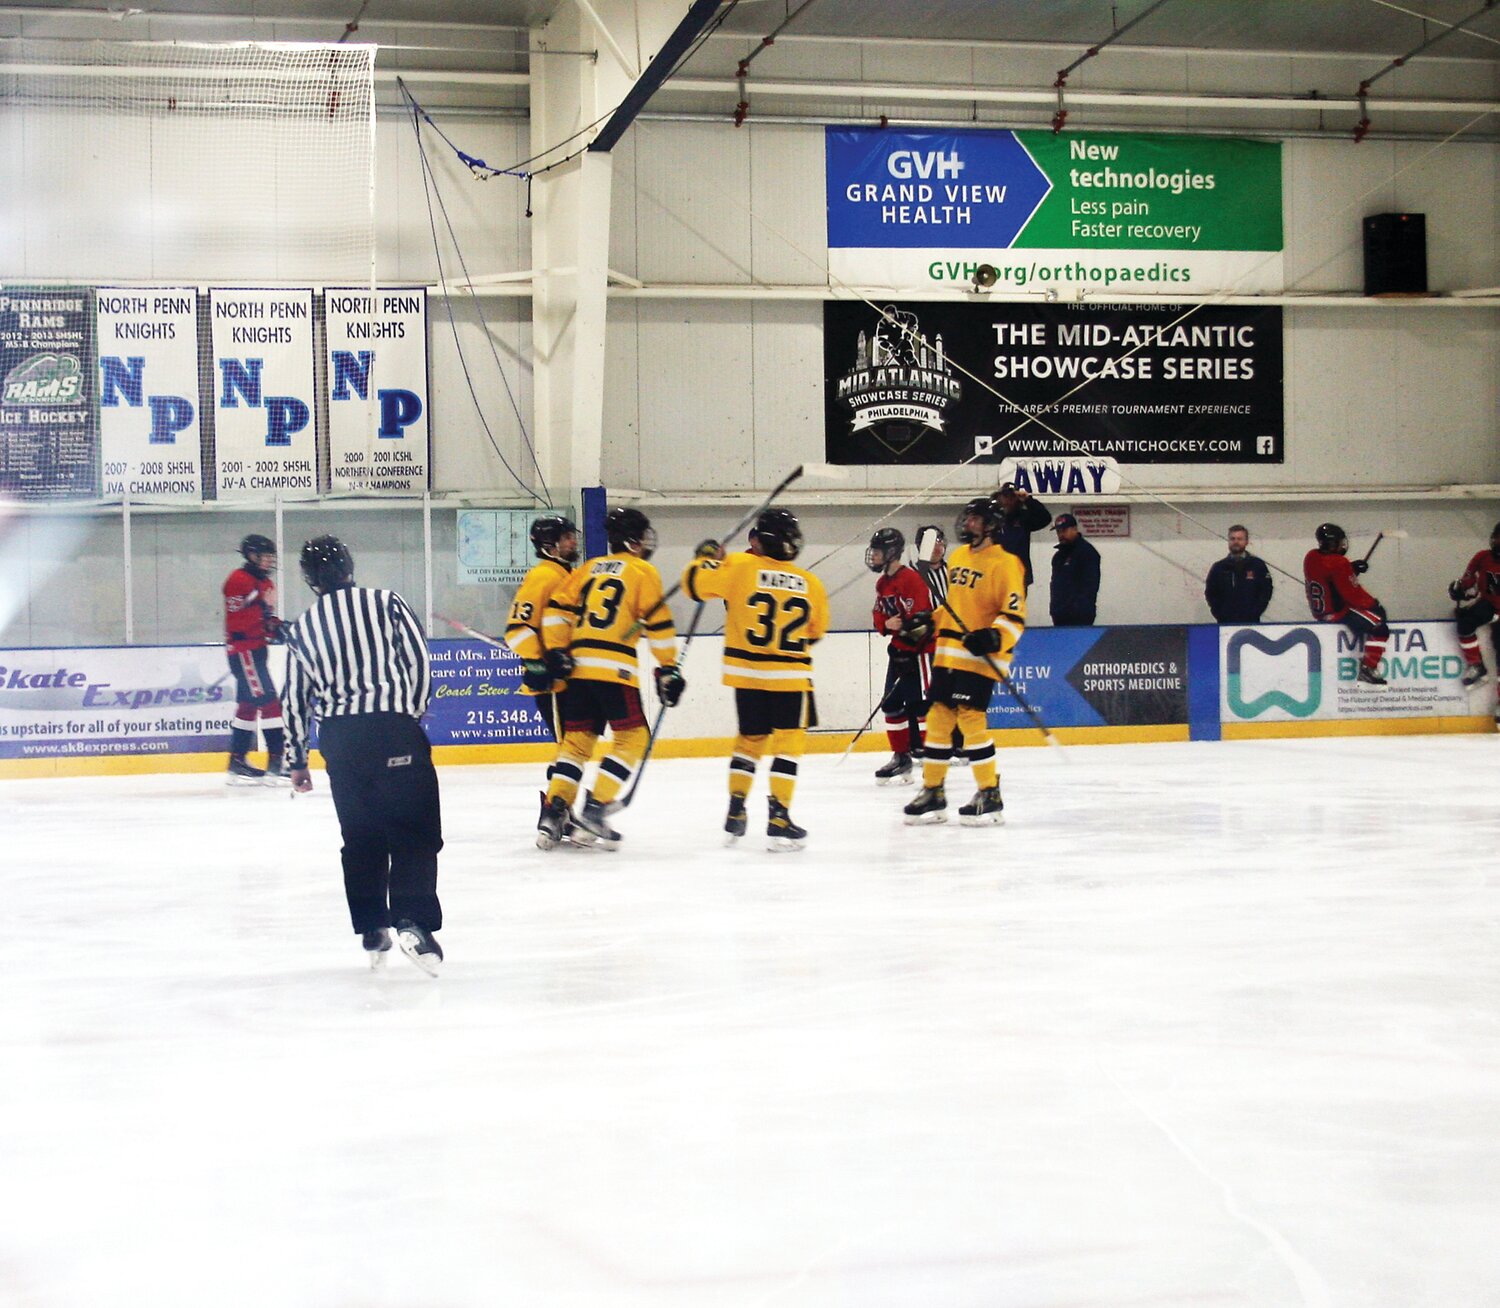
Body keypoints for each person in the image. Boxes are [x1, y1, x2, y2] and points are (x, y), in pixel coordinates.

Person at [281, 537, 445, 976]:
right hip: (393, 730)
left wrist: (297, 760)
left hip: (341, 741)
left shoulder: (303, 627)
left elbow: (295, 698)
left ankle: (372, 924)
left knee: (361, 837)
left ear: (309, 580)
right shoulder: (385, 602)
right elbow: (418, 661)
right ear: (350, 566)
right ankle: (411, 919)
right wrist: (407, 713)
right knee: (413, 831)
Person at [683, 508, 829, 850]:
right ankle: (779, 817)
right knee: (787, 746)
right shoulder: (810, 583)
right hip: (789, 678)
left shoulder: (739, 566)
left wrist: (706, 559)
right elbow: (816, 631)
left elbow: (694, 585)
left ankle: (736, 808)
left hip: (746, 676)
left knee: (749, 741)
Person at [536, 507, 682, 851]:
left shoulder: (588, 569)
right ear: (632, 541)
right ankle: (596, 807)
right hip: (614, 668)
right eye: (643, 535)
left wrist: (557, 651)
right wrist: (667, 668)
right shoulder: (643, 570)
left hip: (579, 667)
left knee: (576, 743)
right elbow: (659, 625)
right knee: (633, 738)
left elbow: (557, 607)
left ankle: (553, 812)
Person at [904, 493, 1026, 826]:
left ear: (991, 526)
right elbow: (954, 608)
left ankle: (989, 794)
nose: (967, 522)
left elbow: (1014, 616)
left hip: (980, 659)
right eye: (968, 517)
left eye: (975, 518)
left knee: (970, 719)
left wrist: (993, 636)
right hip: (948, 654)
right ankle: (933, 791)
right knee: (939, 718)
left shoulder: (1006, 563)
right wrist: (930, 620)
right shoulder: (957, 557)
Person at [504, 514, 579, 827]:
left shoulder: (565, 574)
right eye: (566, 537)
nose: (573, 541)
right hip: (553, 685)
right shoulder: (544, 576)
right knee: (568, 750)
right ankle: (554, 811)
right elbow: (517, 630)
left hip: (568, 680)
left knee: (571, 748)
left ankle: (560, 809)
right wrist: (539, 662)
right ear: (550, 545)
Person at [865, 527, 936, 784]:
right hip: (899, 652)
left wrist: (904, 634)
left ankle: (933, 761)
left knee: (921, 707)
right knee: (892, 705)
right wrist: (887, 625)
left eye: (878, 551)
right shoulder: (882, 583)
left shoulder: (912, 580)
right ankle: (901, 757)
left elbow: (922, 622)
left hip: (920, 653)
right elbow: (879, 615)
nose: (874, 556)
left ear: (892, 552)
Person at [222, 532, 286, 785]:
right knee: (270, 703)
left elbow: (264, 617)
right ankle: (275, 763)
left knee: (248, 705)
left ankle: (236, 763)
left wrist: (276, 626)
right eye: (265, 557)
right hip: (244, 651)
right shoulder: (237, 580)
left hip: (256, 650)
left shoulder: (267, 584)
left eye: (271, 557)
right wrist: (265, 620)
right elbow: (239, 618)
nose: (269, 561)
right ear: (251, 556)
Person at [1303, 523, 1388, 686]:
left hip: (1321, 612)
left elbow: (1330, 576)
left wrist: (1351, 568)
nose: (1342, 544)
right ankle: (1368, 668)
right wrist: (1373, 604)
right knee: (1379, 627)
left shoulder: (1311, 557)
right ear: (1332, 543)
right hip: (1338, 612)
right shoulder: (1339, 562)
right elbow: (1351, 593)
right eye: (1339, 542)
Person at [1448, 521, 1500, 691]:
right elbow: (1468, 580)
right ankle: (1476, 665)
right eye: (1496, 539)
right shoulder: (1483, 557)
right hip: (1490, 604)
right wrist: (1459, 589)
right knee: (1464, 624)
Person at [1204, 524, 1274, 623]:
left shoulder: (1257, 565)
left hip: (1252, 622)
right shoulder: (1218, 567)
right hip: (1225, 622)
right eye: (1232, 539)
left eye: (1240, 539)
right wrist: (1219, 613)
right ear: (1228, 541)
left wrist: (1256, 611)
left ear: (1246, 542)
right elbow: (1210, 593)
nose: (1236, 542)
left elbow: (1266, 590)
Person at [993, 482, 1051, 589]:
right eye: (1005, 496)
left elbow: (1045, 518)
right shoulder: (994, 519)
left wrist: (1028, 500)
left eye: (1012, 497)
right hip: (996, 573)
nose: (1008, 500)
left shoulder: (1024, 518)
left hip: (1019, 574)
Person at [1048, 513, 1100, 627]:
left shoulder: (1087, 552)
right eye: (1058, 532)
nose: (1061, 534)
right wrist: (1055, 609)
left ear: (1075, 529)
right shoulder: (1058, 557)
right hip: (1059, 614)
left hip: (1080, 615)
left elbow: (1090, 586)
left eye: (1064, 530)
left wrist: (1079, 608)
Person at [913, 523, 948, 608]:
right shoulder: (912, 575)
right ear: (920, 547)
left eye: (939, 541)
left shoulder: (953, 569)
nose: (936, 546)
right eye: (930, 543)